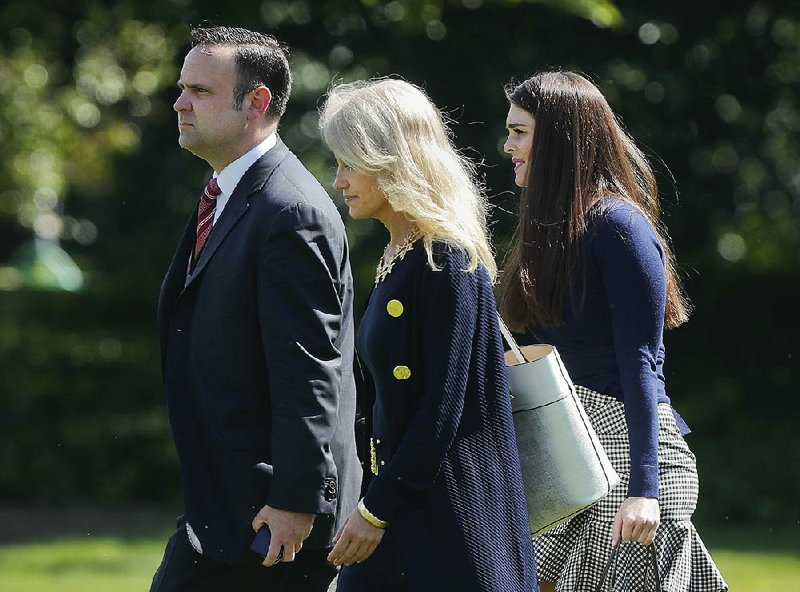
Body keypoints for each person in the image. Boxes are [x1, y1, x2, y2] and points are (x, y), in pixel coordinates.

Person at [151, 25, 361, 592]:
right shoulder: (228, 192)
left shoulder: (290, 210)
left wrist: (295, 499)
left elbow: (311, 374)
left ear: (257, 102)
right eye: (182, 87)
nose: (179, 102)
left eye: (200, 90)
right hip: (222, 508)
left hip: (273, 525)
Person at [499, 71, 728, 592]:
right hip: (566, 454)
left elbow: (643, 364)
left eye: (519, 131)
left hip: (629, 460)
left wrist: (645, 490)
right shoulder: (548, 229)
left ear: (557, 137)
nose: (508, 145)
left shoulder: (619, 227)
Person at [318, 78, 538, 592]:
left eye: (350, 163)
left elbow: (443, 408)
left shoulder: (446, 259)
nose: (338, 179)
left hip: (454, 527)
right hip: (406, 513)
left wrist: (375, 510)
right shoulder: (399, 256)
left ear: (391, 160)